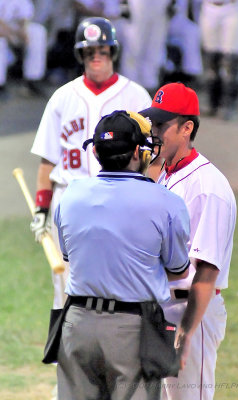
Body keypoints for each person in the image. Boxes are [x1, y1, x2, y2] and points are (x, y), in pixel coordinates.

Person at [54, 110, 191, 400]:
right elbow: (178, 268)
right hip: (132, 328)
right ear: (139, 153)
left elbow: (69, 256)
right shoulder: (167, 202)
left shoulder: (71, 195)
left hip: (77, 324)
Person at [30, 16, 152, 309]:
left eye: (102, 49)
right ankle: (65, 352)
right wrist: (41, 207)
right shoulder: (62, 97)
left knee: (118, 283)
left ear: (112, 52)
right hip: (68, 200)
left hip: (121, 202)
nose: (96, 56)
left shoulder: (136, 95)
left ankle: (111, 349)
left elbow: (152, 161)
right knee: (65, 284)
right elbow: (48, 161)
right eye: (89, 51)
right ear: (80, 54)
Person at [140, 82, 237, 400]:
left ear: (187, 128)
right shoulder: (166, 173)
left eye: (161, 125)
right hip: (164, 308)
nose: (153, 132)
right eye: (152, 123)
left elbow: (205, 273)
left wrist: (185, 330)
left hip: (191, 312)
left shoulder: (207, 187)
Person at [199, 0, 238, 119]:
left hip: (233, 7)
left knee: (231, 60)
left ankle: (228, 105)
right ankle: (213, 103)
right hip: (209, 7)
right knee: (211, 57)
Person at [0, 0, 47, 98]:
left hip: (11, 26)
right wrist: (11, 33)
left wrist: (23, 29)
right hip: (4, 28)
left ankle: (33, 79)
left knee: (37, 31)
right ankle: (1, 85)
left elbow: (24, 14)